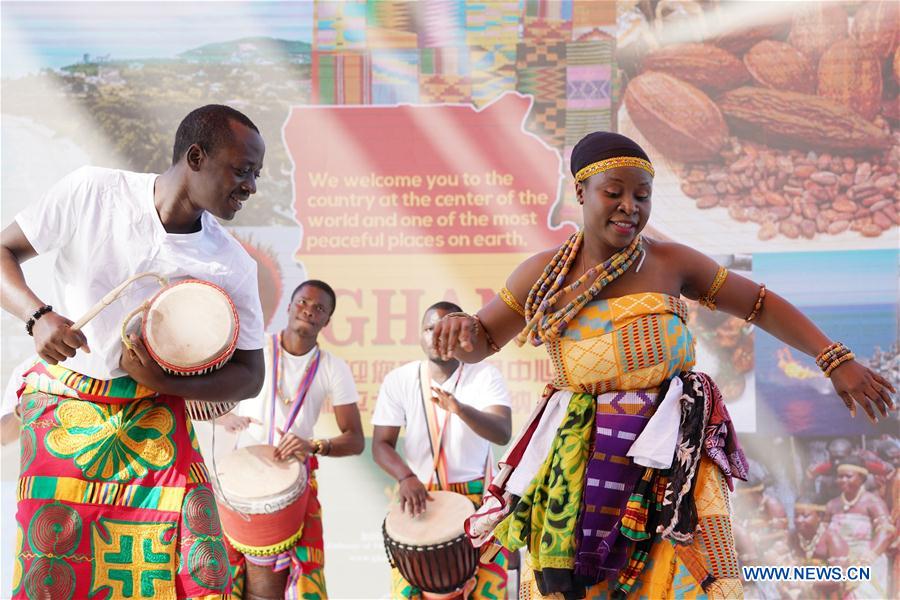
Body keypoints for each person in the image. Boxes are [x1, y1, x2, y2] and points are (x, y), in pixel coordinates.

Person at [431, 131, 896, 599]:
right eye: (613, 192)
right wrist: (461, 332)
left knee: (695, 577)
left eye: (642, 195)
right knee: (581, 584)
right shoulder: (543, 273)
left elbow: (758, 304)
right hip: (581, 454)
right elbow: (483, 339)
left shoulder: (670, 261)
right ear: (580, 193)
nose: (629, 206)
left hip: (675, 454)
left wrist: (833, 358)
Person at [0, 104, 268, 599]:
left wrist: (163, 383)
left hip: (156, 417)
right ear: (195, 156)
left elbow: (250, 375)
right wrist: (38, 318)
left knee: (197, 569)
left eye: (256, 174)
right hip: (65, 409)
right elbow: (3, 251)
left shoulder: (231, 262)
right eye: (243, 170)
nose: (251, 185)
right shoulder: (93, 192)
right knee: (52, 573)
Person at [217, 279, 364, 600]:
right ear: (289, 306)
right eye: (303, 302)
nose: (309, 311)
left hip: (293, 482)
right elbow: (207, 400)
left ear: (326, 321)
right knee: (223, 581)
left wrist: (313, 445)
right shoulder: (254, 351)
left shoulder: (332, 368)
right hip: (238, 482)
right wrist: (225, 416)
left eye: (319, 308)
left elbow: (355, 440)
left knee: (283, 584)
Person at [372, 301, 513, 599]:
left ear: (463, 336)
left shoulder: (484, 376)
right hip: (420, 496)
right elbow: (381, 445)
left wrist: (460, 409)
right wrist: (405, 477)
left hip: (476, 497)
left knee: (490, 590)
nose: (437, 335)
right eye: (429, 328)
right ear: (420, 335)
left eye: (446, 329)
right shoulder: (400, 380)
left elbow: (502, 432)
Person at [825, 457, 894, 599]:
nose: (843, 480)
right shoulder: (832, 504)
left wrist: (865, 561)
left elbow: (886, 532)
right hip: (837, 561)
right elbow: (823, 533)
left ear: (862, 478)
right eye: (840, 477)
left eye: (848, 476)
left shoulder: (873, 502)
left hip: (867, 560)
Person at [783, 495, 849, 600]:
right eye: (796, 515)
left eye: (805, 516)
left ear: (820, 516)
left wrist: (806, 580)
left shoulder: (832, 539)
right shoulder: (793, 536)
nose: (799, 520)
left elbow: (841, 575)